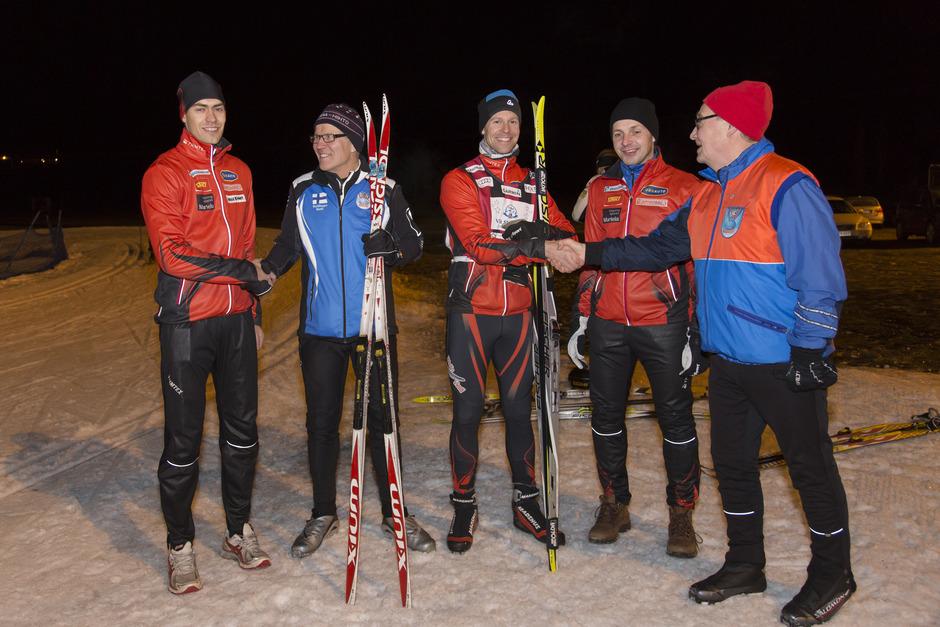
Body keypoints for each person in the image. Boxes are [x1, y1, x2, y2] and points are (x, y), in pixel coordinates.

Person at [544, 81, 853, 626]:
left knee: (810, 469)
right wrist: (585, 252)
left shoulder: (786, 183)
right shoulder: (708, 194)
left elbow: (821, 276)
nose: (692, 134)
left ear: (731, 127)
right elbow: (654, 248)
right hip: (728, 362)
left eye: (701, 122)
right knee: (732, 467)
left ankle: (833, 574)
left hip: (783, 360)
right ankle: (745, 563)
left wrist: (810, 349)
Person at [258, 103, 435, 558]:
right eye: (316, 137)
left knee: (383, 423)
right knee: (321, 424)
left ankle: (395, 513)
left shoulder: (383, 189)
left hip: (372, 329)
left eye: (329, 136)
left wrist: (390, 248)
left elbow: (414, 243)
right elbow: (287, 246)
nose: (320, 144)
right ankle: (323, 513)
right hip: (319, 331)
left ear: (354, 144)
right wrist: (264, 273)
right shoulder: (303, 189)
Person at [141, 70, 275, 595]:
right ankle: (180, 544)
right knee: (183, 441)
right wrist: (243, 275)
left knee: (243, 434)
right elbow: (172, 255)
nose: (212, 117)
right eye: (201, 109)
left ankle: (239, 530)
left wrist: (254, 314)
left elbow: (247, 247)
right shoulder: (164, 172)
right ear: (184, 114)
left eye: (218, 108)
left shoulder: (240, 171)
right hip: (186, 323)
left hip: (236, 321)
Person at [439, 89, 576, 553]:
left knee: (520, 410)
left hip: (519, 315)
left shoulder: (532, 183)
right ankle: (464, 502)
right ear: (483, 126)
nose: (505, 129)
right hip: (472, 313)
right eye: (496, 121)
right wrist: (536, 246)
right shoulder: (460, 179)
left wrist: (543, 230)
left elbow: (567, 235)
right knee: (468, 411)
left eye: (513, 122)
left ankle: (526, 501)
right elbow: (477, 244)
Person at [569, 98, 702, 555]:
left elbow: (694, 265)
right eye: (618, 133)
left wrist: (695, 329)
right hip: (608, 322)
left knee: (676, 419)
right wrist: (582, 317)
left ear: (653, 135)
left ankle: (681, 514)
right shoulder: (601, 190)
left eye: (635, 131)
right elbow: (590, 256)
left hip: (662, 320)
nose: (626, 141)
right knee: (605, 418)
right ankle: (614, 503)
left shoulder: (684, 187)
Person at [570, 148, 619, 223]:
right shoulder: (629, 179)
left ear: (598, 165)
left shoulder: (595, 181)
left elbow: (577, 216)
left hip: (600, 229)